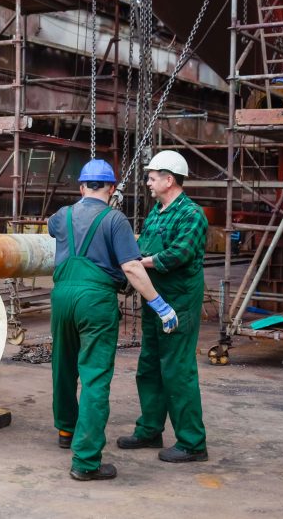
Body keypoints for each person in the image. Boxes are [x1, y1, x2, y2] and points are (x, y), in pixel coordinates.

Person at [47, 159, 179, 481]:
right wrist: (160, 304)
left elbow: (54, 230)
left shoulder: (61, 216)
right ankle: (86, 462)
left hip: (62, 297)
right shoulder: (115, 220)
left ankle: (66, 430)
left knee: (63, 366)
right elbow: (132, 268)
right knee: (94, 377)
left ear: (81, 188)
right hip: (95, 300)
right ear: (110, 189)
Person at [117, 149, 209, 463]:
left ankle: (192, 442)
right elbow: (143, 244)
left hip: (179, 301)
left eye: (153, 178)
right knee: (149, 366)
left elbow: (180, 254)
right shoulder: (157, 212)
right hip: (154, 299)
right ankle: (150, 428)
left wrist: (144, 263)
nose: (148, 183)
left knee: (177, 371)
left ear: (169, 180)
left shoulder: (192, 214)